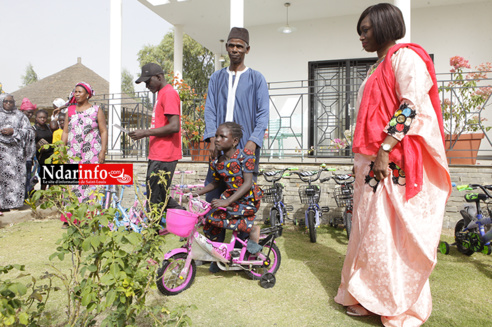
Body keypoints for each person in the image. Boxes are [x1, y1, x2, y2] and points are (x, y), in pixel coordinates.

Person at [334, 4, 452, 326]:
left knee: (390, 233)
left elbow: (409, 106)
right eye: (360, 30)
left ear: (386, 27)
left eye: (366, 29)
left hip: (391, 162)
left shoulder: (406, 58)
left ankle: (398, 304)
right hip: (369, 165)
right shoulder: (377, 67)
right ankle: (367, 296)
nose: (361, 35)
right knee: (369, 231)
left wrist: (385, 148)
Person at [203, 27, 269, 240]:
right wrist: (212, 138)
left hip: (244, 151)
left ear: (247, 49)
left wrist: (253, 141)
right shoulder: (216, 78)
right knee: (213, 195)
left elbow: (263, 113)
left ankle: (241, 254)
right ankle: (214, 249)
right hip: (220, 150)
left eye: (239, 46)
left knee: (243, 201)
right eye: (231, 45)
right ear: (226, 47)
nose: (234, 50)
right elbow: (210, 109)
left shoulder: (256, 78)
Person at [194, 122, 263, 254]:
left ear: (234, 141)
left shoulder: (245, 156)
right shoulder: (216, 161)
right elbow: (215, 183)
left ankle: (251, 230)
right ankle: (217, 254)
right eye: (216, 136)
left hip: (247, 198)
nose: (217, 139)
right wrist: (196, 193)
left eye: (222, 136)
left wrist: (227, 201)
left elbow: (248, 183)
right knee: (211, 219)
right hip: (231, 197)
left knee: (224, 216)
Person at [130, 63, 183, 212]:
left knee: (154, 200)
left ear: (159, 77)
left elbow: (174, 126)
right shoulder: (162, 94)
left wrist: (145, 132)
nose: (147, 86)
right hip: (158, 154)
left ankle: (152, 234)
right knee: (158, 196)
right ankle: (186, 216)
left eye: (148, 82)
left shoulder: (169, 94)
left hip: (164, 156)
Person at [61, 82, 108, 206]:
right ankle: (72, 216)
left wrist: (103, 151)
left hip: (92, 152)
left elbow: (103, 131)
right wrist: (62, 150)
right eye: (75, 92)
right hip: (73, 153)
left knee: (91, 182)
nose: (76, 94)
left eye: (79, 92)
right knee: (72, 183)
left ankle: (91, 214)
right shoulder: (70, 111)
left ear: (87, 95)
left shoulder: (96, 110)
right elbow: (65, 132)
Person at [0, 94, 34, 215]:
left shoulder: (21, 117)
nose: (9, 103)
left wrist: (13, 131)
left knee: (14, 180)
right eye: (6, 101)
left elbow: (29, 133)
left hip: (15, 156)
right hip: (1, 155)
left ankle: (13, 204)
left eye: (11, 101)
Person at [19, 98, 36, 199]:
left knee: (28, 178)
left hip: (29, 157)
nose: (30, 115)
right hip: (19, 156)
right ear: (22, 111)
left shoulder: (30, 125)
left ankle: (26, 198)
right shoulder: (18, 124)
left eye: (31, 113)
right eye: (28, 112)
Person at [33, 109, 53, 190]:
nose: (42, 119)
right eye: (40, 117)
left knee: (51, 176)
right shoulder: (34, 129)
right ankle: (42, 195)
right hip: (41, 155)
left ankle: (51, 195)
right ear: (36, 118)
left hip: (51, 154)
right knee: (44, 176)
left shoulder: (49, 127)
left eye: (44, 117)